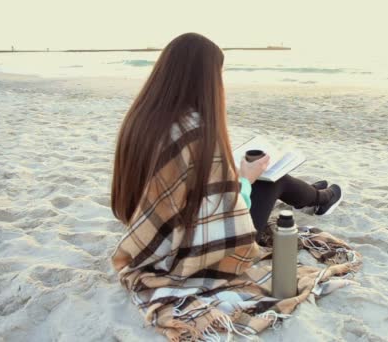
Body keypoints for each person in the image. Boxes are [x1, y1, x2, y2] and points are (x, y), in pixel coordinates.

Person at [110, 32, 342, 241]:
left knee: (263, 177)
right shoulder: (195, 129)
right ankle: (322, 198)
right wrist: (245, 180)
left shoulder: (140, 118)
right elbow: (217, 210)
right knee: (273, 180)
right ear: (207, 80)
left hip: (149, 229)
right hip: (190, 247)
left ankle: (308, 194)